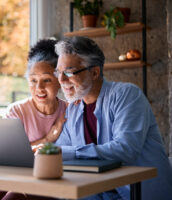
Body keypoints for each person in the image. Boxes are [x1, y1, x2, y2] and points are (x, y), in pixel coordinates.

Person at [54, 36, 172, 200]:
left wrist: (69, 152)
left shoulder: (127, 94)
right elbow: (60, 151)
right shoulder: (73, 109)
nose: (61, 80)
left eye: (68, 72)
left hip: (138, 193)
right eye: (58, 72)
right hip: (100, 192)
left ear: (94, 72)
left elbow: (125, 150)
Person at [0, 38, 67, 200]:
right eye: (33, 80)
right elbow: (7, 156)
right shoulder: (17, 111)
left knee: (12, 198)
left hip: (49, 184)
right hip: (11, 178)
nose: (39, 88)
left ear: (59, 80)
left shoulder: (71, 112)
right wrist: (47, 139)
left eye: (47, 80)